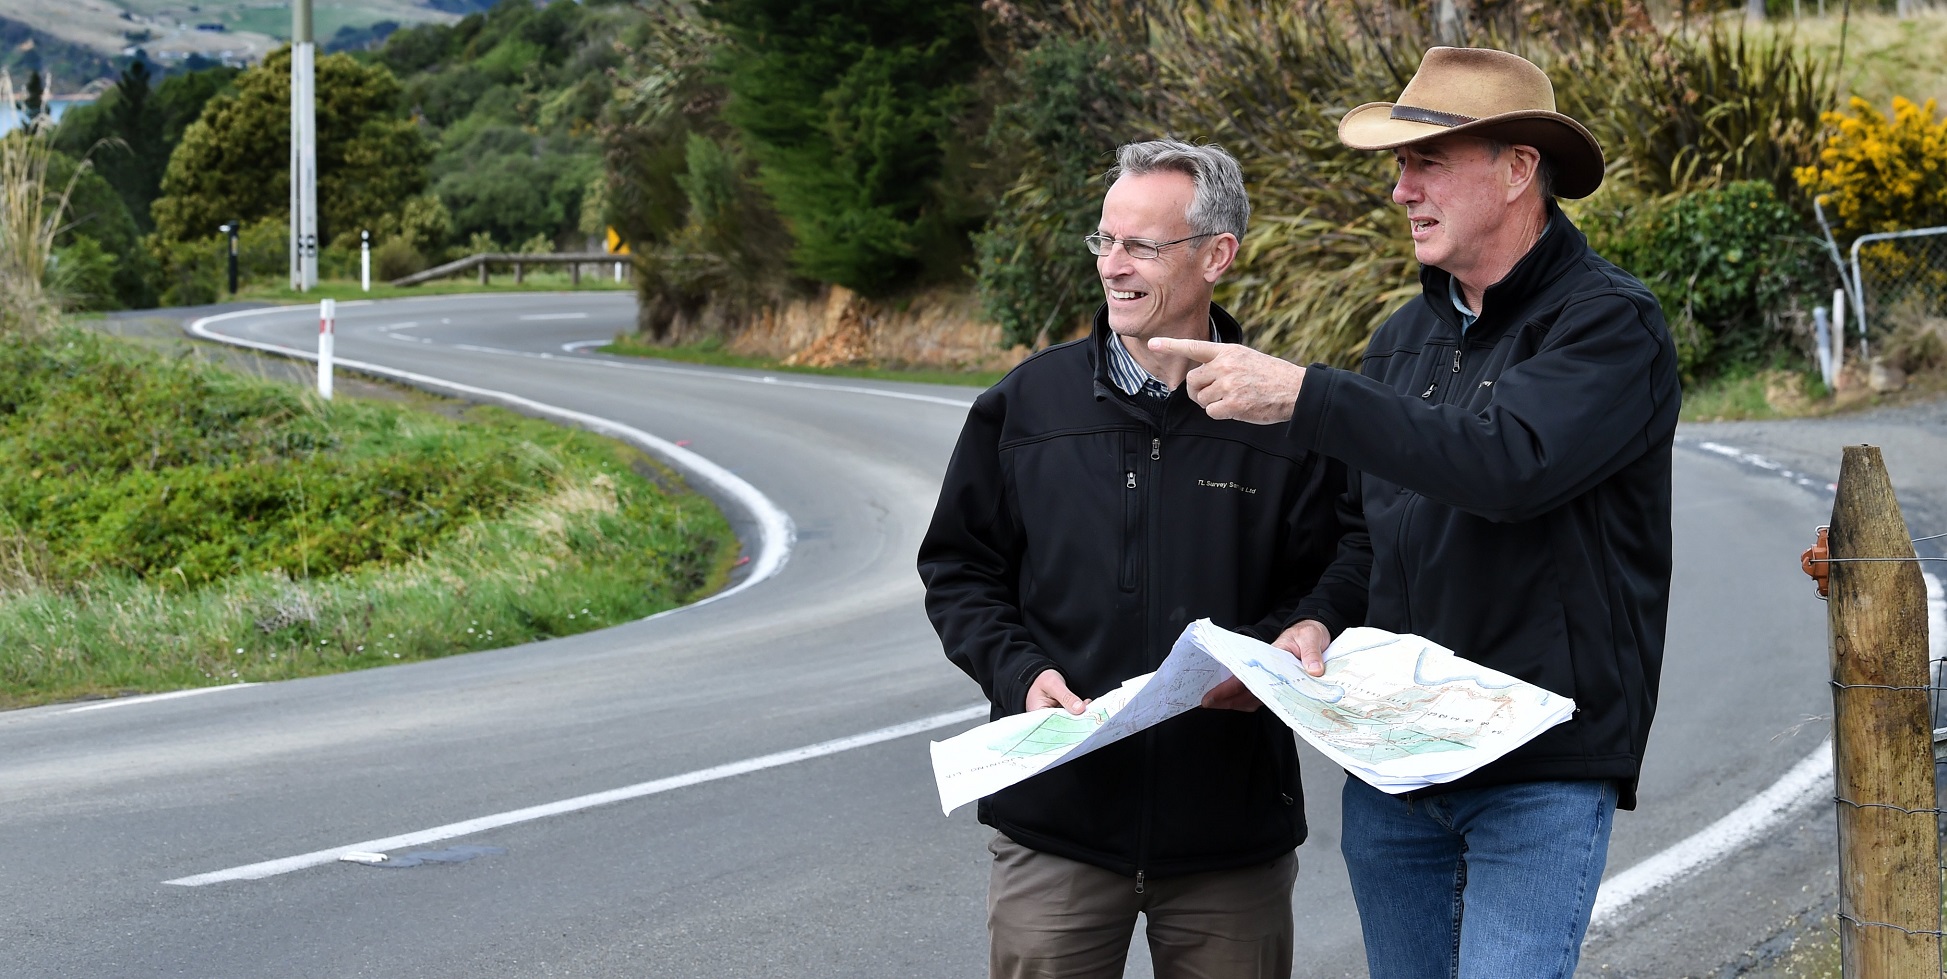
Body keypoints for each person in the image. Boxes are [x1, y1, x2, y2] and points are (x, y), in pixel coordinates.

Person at [1149, 47, 1681, 979]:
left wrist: (1310, 395)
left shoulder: (1609, 326)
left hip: (1539, 764)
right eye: (1399, 166)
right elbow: (1370, 534)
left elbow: (1508, 466)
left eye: (1425, 162)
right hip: (1396, 765)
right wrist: (1314, 621)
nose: (1401, 191)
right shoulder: (1402, 337)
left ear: (1518, 170)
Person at [917, 139, 1345, 979]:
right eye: (1105, 241)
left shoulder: (1286, 411)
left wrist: (1291, 634)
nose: (1113, 266)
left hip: (1231, 839)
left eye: (1141, 245)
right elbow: (960, 570)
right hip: (1055, 825)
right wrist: (1017, 671)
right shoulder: (1025, 405)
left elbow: (1346, 561)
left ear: (1216, 255)